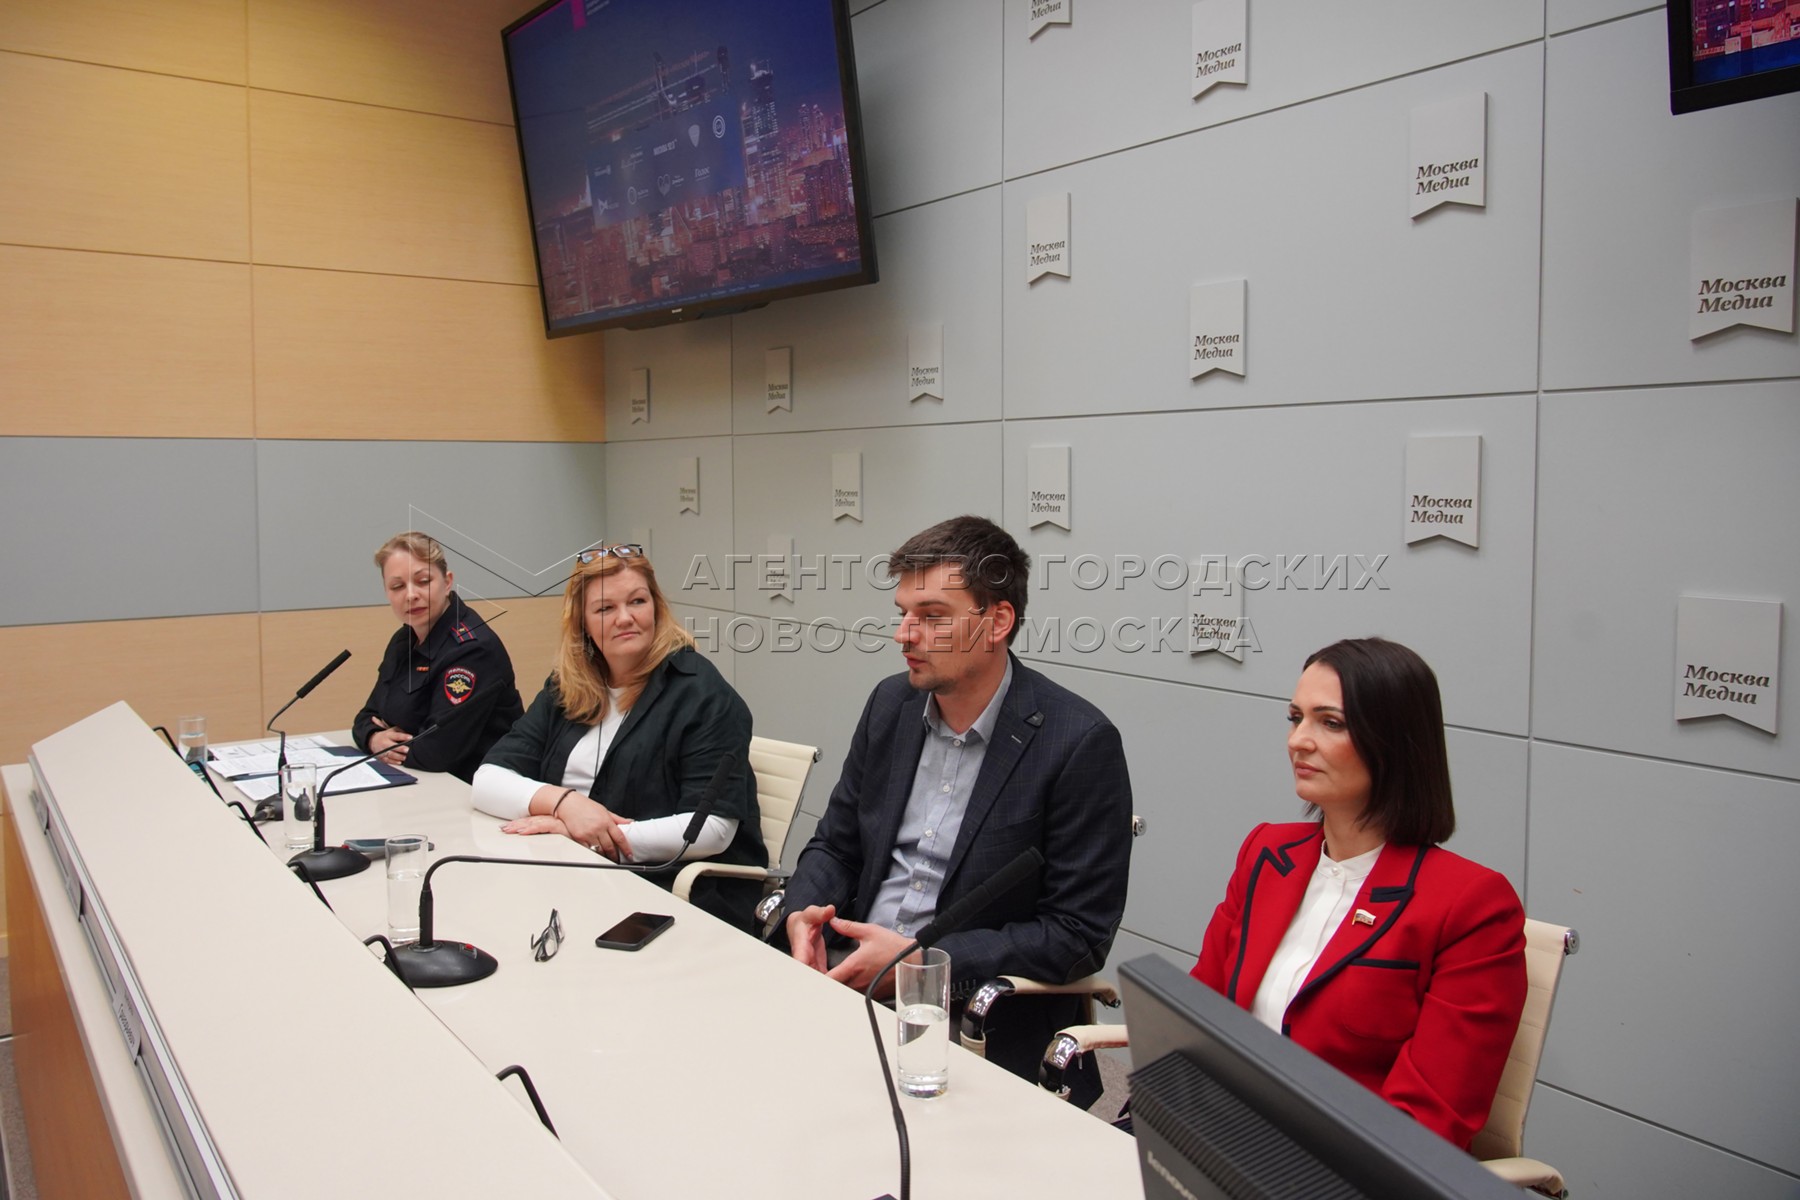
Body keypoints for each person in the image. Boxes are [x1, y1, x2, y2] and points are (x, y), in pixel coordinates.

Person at [780, 516, 1133, 1095]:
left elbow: (1077, 933)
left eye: (932, 617)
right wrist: (803, 916)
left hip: (970, 1016)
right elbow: (836, 845)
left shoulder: (1077, 742)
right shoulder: (891, 705)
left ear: (998, 621)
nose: (904, 635)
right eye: (903, 614)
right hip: (846, 971)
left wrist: (924, 962)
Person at [1192, 637, 1527, 1150]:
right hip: (1216, 1130)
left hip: (1336, 1166)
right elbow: (1199, 1010)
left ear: (1394, 741)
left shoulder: (1472, 905)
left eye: (1330, 723)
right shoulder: (1267, 851)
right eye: (1295, 718)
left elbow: (1427, 1118)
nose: (1298, 741)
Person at [472, 543, 764, 926]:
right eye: (605, 608)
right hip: (569, 873)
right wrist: (566, 806)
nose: (625, 618)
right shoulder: (567, 687)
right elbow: (487, 780)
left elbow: (712, 829)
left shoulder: (702, 693)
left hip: (669, 892)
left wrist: (582, 836)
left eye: (637, 601)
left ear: (656, 607)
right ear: (582, 623)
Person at [352, 532, 524, 784]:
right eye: (397, 586)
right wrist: (373, 738)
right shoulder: (404, 640)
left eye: (423, 581)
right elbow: (366, 716)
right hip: (420, 781)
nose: (411, 595)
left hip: (473, 788)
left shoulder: (472, 649)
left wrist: (389, 746)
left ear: (447, 582)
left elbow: (436, 752)